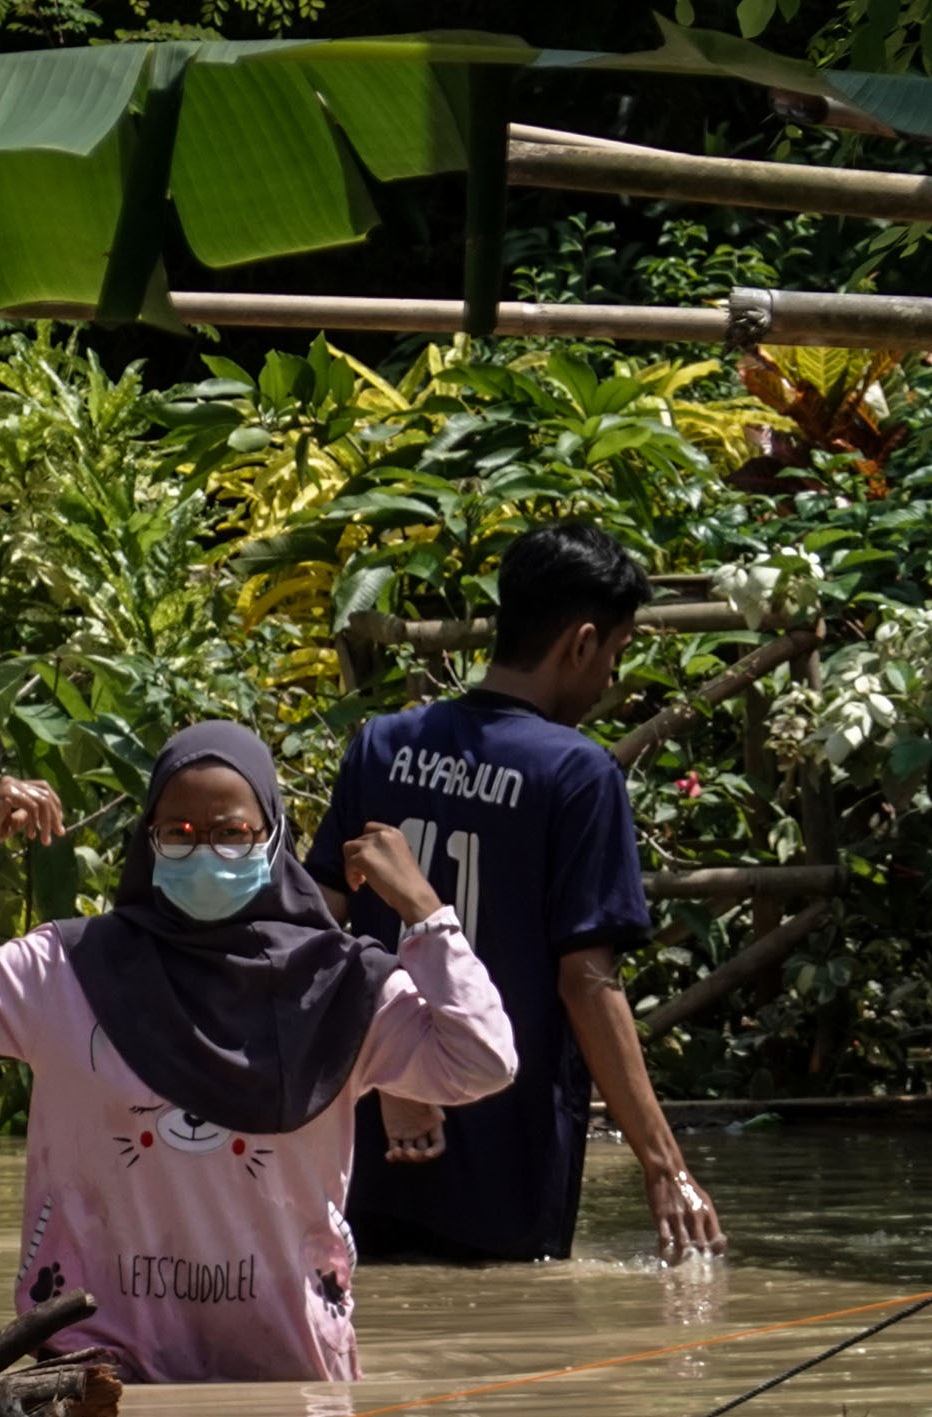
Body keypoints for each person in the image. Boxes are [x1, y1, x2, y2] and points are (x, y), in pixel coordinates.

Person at [0, 723, 518, 1383]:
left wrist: (425, 911)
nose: (205, 851)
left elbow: (484, 1061)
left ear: (274, 836)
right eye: (179, 831)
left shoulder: (342, 989)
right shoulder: (65, 969)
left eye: (232, 832)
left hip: (291, 1382)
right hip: (97, 1383)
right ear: (149, 840)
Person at [305, 520, 725, 1265]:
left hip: (363, 1148)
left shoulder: (380, 745)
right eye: (616, 656)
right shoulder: (576, 775)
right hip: (503, 1160)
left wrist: (384, 1070)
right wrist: (666, 1165)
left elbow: (312, 932)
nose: (608, 681)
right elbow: (587, 982)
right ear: (582, 642)